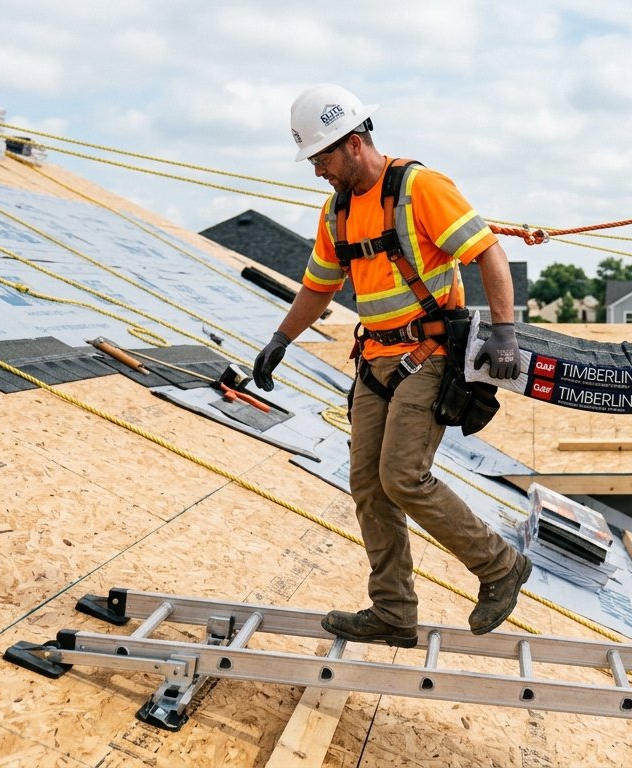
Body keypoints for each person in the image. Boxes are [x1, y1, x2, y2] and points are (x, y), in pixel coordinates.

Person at [251, 84, 531, 648]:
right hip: (375, 362)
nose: (317, 172)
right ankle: (394, 612)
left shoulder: (419, 188)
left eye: (322, 158)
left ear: (354, 144)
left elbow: (488, 252)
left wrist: (505, 333)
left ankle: (501, 567)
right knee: (368, 487)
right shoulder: (336, 212)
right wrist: (280, 338)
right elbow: (317, 288)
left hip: (427, 355)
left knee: (402, 476)